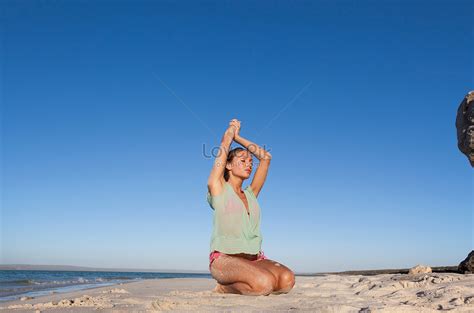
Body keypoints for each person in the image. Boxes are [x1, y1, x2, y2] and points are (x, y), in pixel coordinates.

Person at [206, 118, 295, 296]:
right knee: (264, 285)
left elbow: (266, 157)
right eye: (243, 160)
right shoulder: (218, 188)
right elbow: (224, 146)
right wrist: (230, 133)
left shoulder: (251, 194)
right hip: (225, 260)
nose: (249, 164)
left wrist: (239, 138)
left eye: (250, 162)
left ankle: (252, 279)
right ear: (228, 165)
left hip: (254, 260)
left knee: (287, 280)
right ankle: (224, 287)